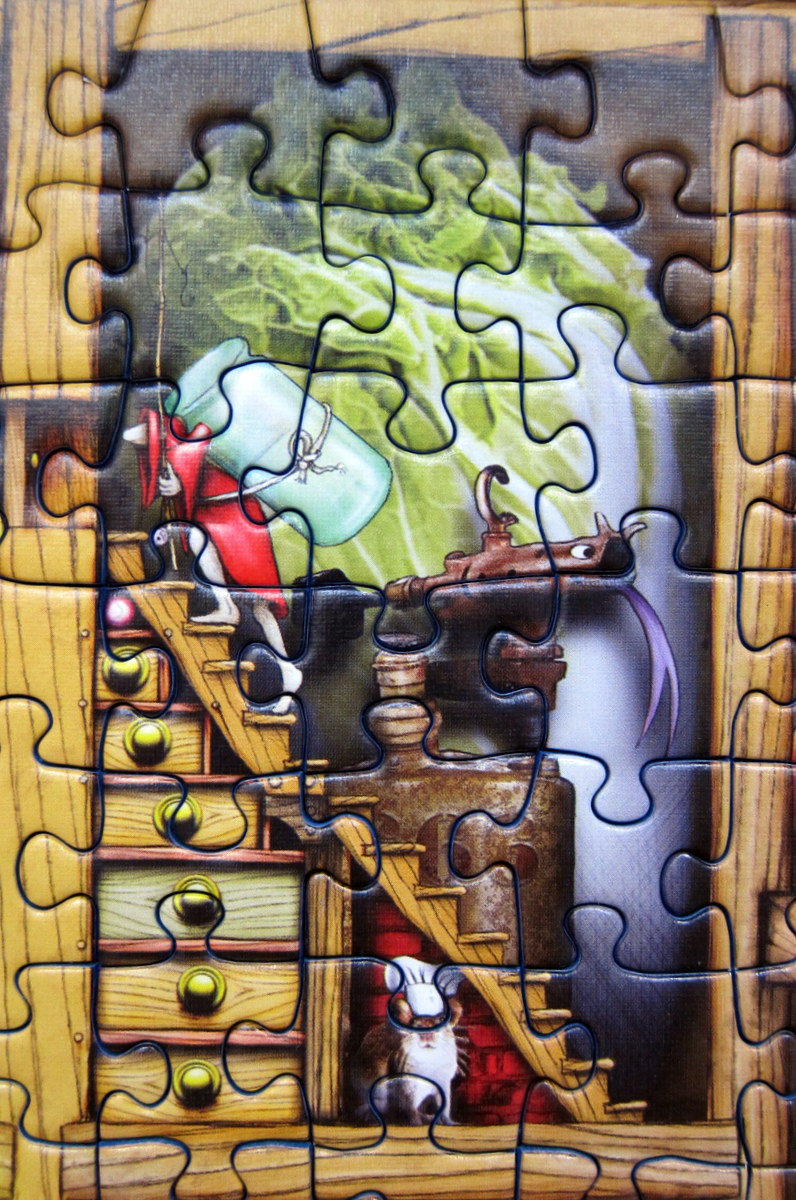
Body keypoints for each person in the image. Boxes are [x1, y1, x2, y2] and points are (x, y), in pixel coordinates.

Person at [124, 408, 302, 710]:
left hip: (239, 522)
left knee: (261, 602)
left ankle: (285, 667)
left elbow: (186, 466)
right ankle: (237, 616)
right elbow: (186, 510)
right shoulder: (177, 458)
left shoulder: (187, 451)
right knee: (201, 542)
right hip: (221, 521)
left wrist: (178, 485)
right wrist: (169, 527)